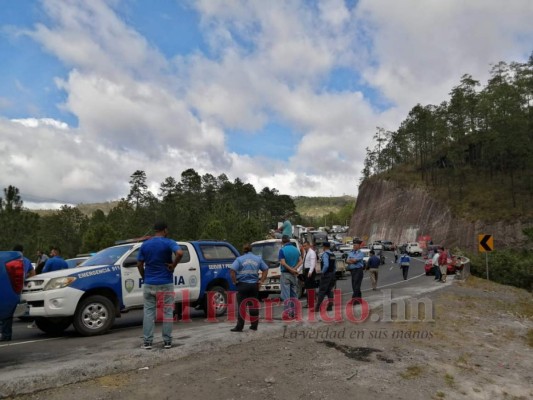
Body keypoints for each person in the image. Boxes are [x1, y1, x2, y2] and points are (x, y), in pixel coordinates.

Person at [137, 221, 183, 350]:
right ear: (165, 230)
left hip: (149, 283)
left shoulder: (145, 244)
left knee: (148, 312)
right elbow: (179, 253)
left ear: (155, 230)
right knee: (167, 311)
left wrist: (144, 277)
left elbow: (139, 264)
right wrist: (173, 266)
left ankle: (147, 342)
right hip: (165, 282)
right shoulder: (169, 242)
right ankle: (167, 341)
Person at [229, 244, 268, 332]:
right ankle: (254, 325)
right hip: (254, 285)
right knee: (253, 306)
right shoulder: (258, 259)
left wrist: (234, 281)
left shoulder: (239, 259)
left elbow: (232, 271)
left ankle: (239, 327)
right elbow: (265, 269)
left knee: (242, 306)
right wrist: (261, 281)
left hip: (242, 285)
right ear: (251, 250)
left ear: (244, 250)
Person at [0, 245, 36, 342]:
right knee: (9, 312)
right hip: (20, 287)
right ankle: (6, 335)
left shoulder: (8, 259)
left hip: (6, 286)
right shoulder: (26, 260)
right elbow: (33, 273)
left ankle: (4, 334)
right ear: (22, 251)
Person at [278, 235, 302, 319]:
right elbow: (301, 261)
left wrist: (290, 269)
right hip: (294, 275)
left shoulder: (282, 250)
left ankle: (287, 313)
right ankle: (295, 313)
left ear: (282, 242)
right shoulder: (296, 249)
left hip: (286, 274)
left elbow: (283, 263)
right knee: (294, 294)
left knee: (286, 295)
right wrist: (294, 269)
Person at [314, 242, 337, 312]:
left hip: (326, 274)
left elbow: (326, 265)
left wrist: (322, 272)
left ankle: (317, 307)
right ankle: (330, 306)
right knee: (330, 290)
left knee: (322, 290)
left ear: (324, 247)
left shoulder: (325, 254)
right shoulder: (333, 254)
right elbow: (335, 266)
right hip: (332, 274)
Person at [300, 241, 318, 308]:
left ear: (309, 245)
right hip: (306, 270)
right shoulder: (306, 253)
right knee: (308, 287)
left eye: (305, 246)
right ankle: (311, 302)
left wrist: (310, 272)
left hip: (310, 271)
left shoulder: (312, 252)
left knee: (309, 287)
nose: (304, 247)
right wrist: (298, 270)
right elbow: (304, 263)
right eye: (303, 246)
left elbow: (312, 263)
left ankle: (311, 303)